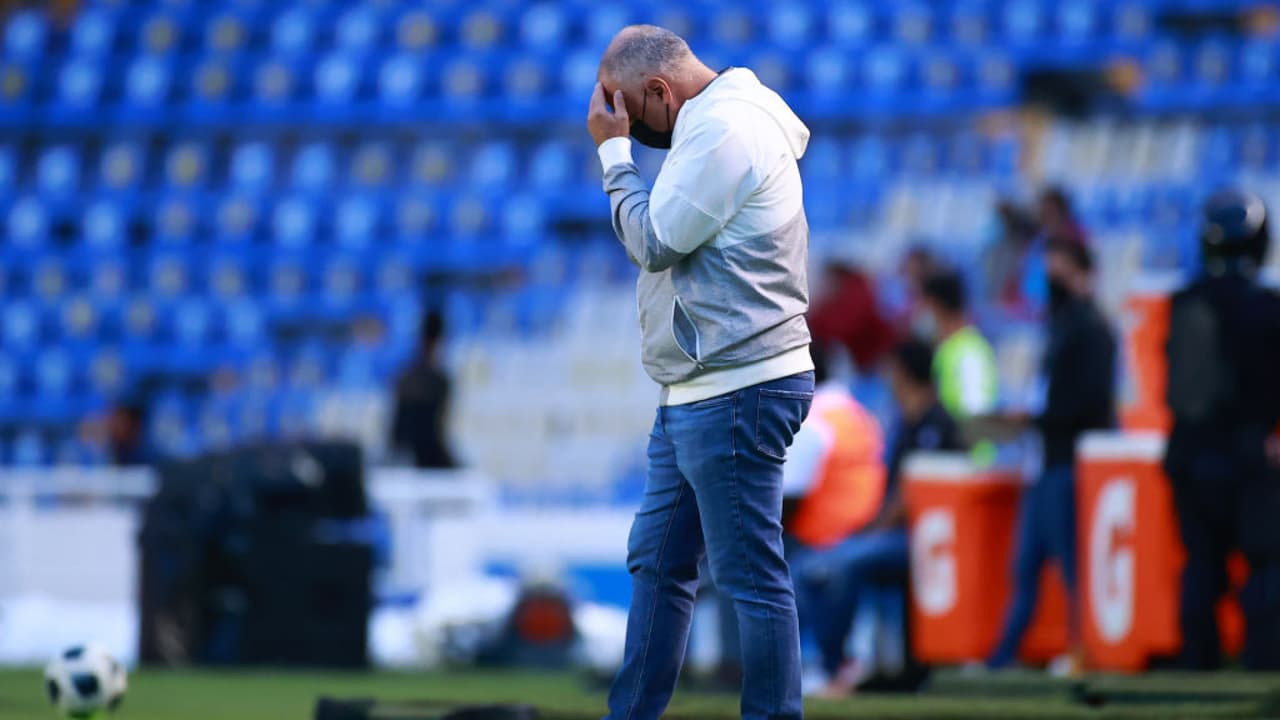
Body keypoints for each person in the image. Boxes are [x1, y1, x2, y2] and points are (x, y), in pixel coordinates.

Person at [587, 25, 814, 720]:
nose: (628, 126)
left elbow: (654, 241)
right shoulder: (713, 123)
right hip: (700, 383)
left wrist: (614, 156)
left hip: (738, 381)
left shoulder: (724, 131)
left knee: (748, 574)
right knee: (657, 562)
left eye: (630, 110)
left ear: (660, 90)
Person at [796, 338, 961, 694]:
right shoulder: (904, 423)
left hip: (924, 538)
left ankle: (835, 668)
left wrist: (873, 529)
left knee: (839, 564)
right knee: (814, 566)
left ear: (903, 373)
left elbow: (915, 493)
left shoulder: (937, 423)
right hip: (894, 534)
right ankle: (835, 662)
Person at [986, 238, 1117, 669]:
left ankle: (1086, 651)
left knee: (1073, 567)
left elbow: (1090, 404)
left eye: (1059, 270)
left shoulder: (1091, 329)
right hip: (1045, 462)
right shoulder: (1060, 326)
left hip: (1068, 462)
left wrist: (1037, 418)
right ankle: (1001, 660)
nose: (1051, 280)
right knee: (1025, 568)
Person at [1164, 189, 1280, 670]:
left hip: (1189, 456)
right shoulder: (1266, 306)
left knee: (1201, 565)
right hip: (1248, 455)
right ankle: (1263, 661)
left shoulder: (1183, 302)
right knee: (1265, 564)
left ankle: (1198, 663)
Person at [918, 269, 999, 420]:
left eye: (925, 306)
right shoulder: (946, 348)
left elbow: (976, 413)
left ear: (937, 306)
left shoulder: (970, 352)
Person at [389, 310, 456, 469]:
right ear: (440, 340)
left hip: (405, 459)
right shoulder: (440, 381)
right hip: (426, 462)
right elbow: (433, 435)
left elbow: (396, 435)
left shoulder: (403, 377)